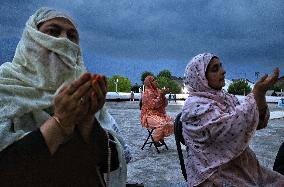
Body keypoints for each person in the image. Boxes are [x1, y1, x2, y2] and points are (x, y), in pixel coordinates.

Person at [0, 7, 131, 187]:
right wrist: (60, 122)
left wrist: (87, 120)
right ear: (31, 39)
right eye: (53, 32)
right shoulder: (4, 87)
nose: (64, 41)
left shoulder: (84, 94)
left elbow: (112, 161)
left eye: (72, 36)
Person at [181, 53, 284, 186]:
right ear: (200, 77)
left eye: (221, 66)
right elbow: (231, 127)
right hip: (215, 174)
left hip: (241, 165)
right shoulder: (195, 107)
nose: (223, 71)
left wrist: (260, 96)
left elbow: (257, 121)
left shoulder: (225, 98)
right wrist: (256, 93)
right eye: (215, 69)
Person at [140, 75, 174, 145]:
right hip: (149, 115)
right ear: (149, 83)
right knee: (162, 124)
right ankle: (155, 139)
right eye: (153, 80)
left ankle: (160, 136)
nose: (156, 81)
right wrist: (161, 96)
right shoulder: (147, 93)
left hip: (159, 114)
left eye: (155, 80)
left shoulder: (158, 91)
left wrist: (163, 96)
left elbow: (164, 105)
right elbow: (153, 105)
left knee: (172, 122)